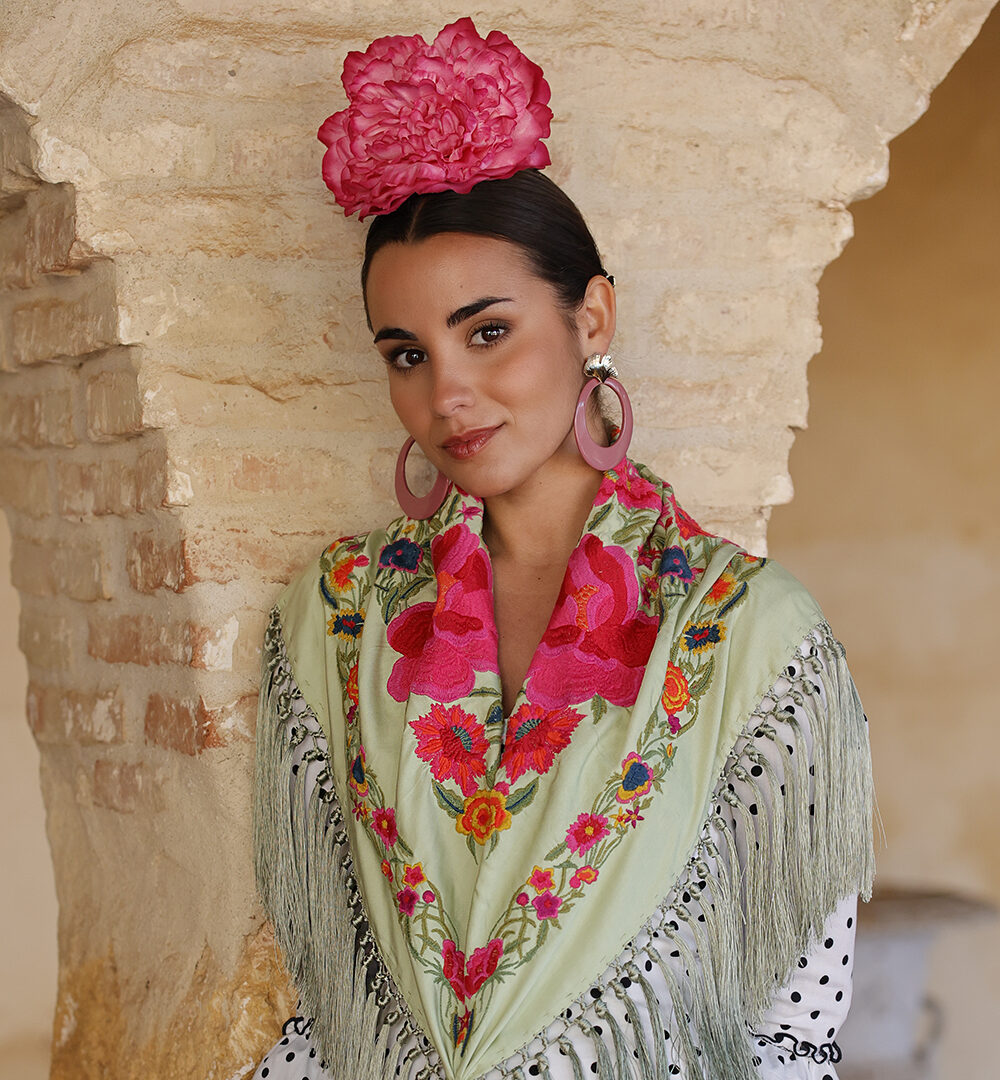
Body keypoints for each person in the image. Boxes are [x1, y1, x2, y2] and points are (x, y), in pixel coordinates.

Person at [251, 18, 874, 1080]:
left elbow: (789, 1032)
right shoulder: (339, 613)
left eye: (486, 332)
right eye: (407, 353)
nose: (444, 393)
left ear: (590, 318)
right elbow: (325, 1004)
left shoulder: (746, 632)